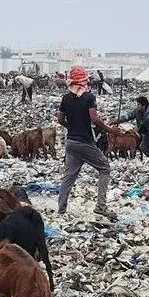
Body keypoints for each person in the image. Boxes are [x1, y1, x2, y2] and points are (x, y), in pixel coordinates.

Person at [56, 66, 121, 220]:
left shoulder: (66, 98)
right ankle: (101, 207)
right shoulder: (89, 97)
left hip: (71, 143)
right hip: (85, 142)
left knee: (68, 177)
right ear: (83, 81)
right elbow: (94, 119)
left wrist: (71, 127)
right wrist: (111, 131)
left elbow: (60, 120)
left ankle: (61, 209)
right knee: (104, 169)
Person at [112, 96, 149, 173]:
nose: (137, 106)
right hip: (146, 134)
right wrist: (116, 121)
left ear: (143, 105)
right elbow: (128, 116)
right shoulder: (137, 111)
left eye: (138, 104)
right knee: (143, 147)